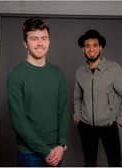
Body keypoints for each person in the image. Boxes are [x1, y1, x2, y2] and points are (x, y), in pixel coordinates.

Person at [7, 16, 68, 167]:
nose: (40, 43)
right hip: (29, 155)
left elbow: (63, 111)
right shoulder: (16, 75)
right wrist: (45, 151)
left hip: (56, 150)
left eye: (44, 38)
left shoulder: (58, 73)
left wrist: (62, 144)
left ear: (49, 41)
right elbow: (18, 122)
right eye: (34, 38)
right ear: (25, 44)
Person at [73, 29, 122, 167]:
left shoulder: (114, 68)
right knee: (89, 162)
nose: (91, 49)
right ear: (83, 49)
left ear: (101, 47)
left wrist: (120, 117)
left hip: (108, 125)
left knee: (115, 162)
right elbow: (77, 97)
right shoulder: (80, 72)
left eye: (95, 45)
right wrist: (77, 115)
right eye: (87, 46)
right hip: (86, 126)